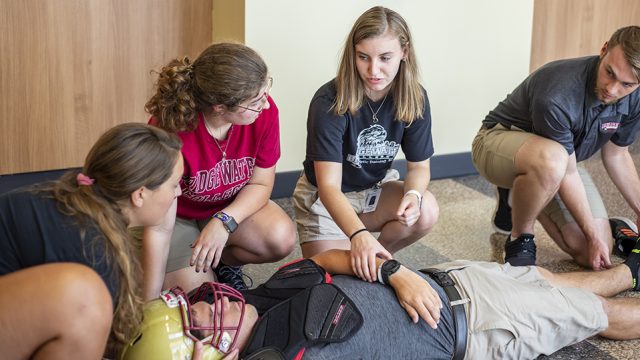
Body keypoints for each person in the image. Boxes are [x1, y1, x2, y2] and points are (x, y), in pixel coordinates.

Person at [122, 224, 640, 360]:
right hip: (478, 325)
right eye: (202, 319)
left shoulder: (257, 301)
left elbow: (324, 260)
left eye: (200, 300)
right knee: (598, 315)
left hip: (444, 276)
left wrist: (396, 272)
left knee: (545, 279)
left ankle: (630, 269)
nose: (212, 300)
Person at [0, 123, 184, 359]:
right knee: (85, 300)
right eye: (174, 184)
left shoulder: (68, 196)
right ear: (140, 195)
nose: (178, 193)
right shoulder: (95, 255)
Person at [472, 26, 640, 270]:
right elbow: (568, 172)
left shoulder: (635, 97)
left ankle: (525, 193)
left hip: (560, 161)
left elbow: (616, 154)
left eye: (626, 84)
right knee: (553, 163)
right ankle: (521, 236)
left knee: (589, 253)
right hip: (496, 141)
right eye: (609, 73)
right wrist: (591, 232)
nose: (612, 90)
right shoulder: (558, 91)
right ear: (603, 50)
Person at [293, 6, 438, 283]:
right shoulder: (328, 100)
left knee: (427, 209)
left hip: (373, 192)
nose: (374, 70)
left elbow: (419, 166)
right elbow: (329, 187)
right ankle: (369, 255)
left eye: (385, 58)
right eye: (363, 57)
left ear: (404, 52)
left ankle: (382, 256)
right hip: (326, 199)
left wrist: (413, 196)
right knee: (339, 278)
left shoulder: (414, 97)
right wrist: (359, 236)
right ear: (353, 54)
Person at [143, 42, 296, 296]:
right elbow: (158, 225)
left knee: (281, 238)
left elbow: (261, 184)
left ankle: (222, 263)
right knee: (203, 299)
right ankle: (199, 267)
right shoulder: (169, 131)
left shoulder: (265, 114)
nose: (266, 105)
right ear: (219, 107)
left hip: (226, 206)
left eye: (265, 91)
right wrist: (147, 301)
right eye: (255, 101)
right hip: (176, 216)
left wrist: (224, 222)